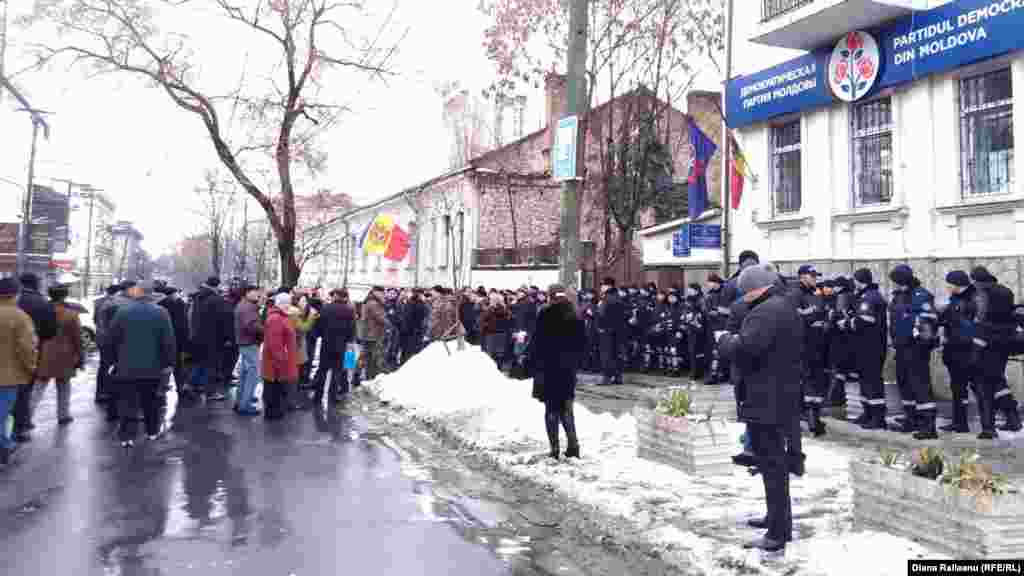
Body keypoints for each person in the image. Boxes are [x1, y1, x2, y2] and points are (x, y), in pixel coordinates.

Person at [716, 263, 802, 552]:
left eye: (745, 292)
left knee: (772, 464)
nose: (743, 297)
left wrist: (725, 340)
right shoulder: (784, 305)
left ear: (755, 289)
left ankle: (777, 532)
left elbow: (745, 349)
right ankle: (775, 520)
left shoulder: (765, 312)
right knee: (772, 464)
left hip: (766, 398)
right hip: (780, 394)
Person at [108, 282, 177, 447]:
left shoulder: (122, 312)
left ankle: (126, 436)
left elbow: (112, 339)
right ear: (151, 294)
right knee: (151, 401)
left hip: (126, 366)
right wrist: (169, 362)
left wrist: (114, 360)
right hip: (153, 366)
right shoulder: (161, 312)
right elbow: (168, 340)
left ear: (137, 293)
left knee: (128, 402)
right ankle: (152, 431)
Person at [532, 284, 586, 459]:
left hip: (548, 368)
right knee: (567, 408)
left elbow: (537, 342)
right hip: (568, 369)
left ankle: (554, 449)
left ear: (550, 296)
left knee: (551, 410)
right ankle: (573, 446)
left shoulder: (544, 314)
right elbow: (582, 343)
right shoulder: (575, 314)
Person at [888, 264, 940, 440]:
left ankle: (929, 426)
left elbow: (928, 321)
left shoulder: (921, 295)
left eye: (896, 280)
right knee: (904, 383)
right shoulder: (898, 296)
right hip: (901, 347)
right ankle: (911, 419)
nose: (894, 284)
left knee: (920, 385)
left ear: (902, 280)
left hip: (916, 348)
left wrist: (921, 341)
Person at [970, 266, 1022, 438]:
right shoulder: (1005, 291)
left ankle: (988, 429)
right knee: (997, 380)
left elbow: (982, 318)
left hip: (987, 342)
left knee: (984, 384)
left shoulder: (983, 294)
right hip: (1004, 341)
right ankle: (1013, 419)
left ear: (977, 281)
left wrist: (978, 339)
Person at [11, 273, 57, 441]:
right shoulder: (43, 302)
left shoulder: (12, 301)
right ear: (36, 283)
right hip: (32, 351)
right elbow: (51, 331)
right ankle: (20, 427)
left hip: (6, 352)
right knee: (25, 389)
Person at [844, 268, 888, 430]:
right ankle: (868, 413)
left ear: (858, 280)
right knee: (864, 381)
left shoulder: (870, 297)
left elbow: (865, 320)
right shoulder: (865, 295)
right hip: (864, 346)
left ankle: (877, 417)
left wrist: (846, 323)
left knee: (872, 381)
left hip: (872, 347)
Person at [0, 278, 37, 465]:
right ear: (15, 294)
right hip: (8, 375)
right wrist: (31, 367)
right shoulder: (20, 317)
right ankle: (4, 447)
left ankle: (5, 445)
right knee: (3, 413)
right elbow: (27, 348)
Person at [35, 284, 84, 426]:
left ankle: (26, 418)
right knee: (64, 386)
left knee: (39, 387)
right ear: (64, 296)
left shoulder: (43, 311)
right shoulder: (71, 314)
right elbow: (77, 338)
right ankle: (63, 415)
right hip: (65, 354)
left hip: (45, 352)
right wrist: (80, 356)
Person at [938, 270, 976, 434]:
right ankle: (959, 423)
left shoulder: (971, 301)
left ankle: (993, 423)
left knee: (977, 387)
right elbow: (946, 320)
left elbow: (967, 328)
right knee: (958, 389)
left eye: (949, 284)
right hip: (955, 352)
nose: (947, 287)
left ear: (957, 284)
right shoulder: (955, 300)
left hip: (966, 352)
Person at [795, 265, 828, 436]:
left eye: (816, 275)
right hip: (803, 344)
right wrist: (811, 316)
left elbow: (821, 313)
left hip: (818, 344)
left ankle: (815, 416)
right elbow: (796, 317)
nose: (815, 278)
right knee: (806, 380)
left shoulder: (816, 293)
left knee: (817, 381)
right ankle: (808, 417)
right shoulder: (795, 294)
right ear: (802, 276)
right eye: (812, 275)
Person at [190, 277, 231, 402]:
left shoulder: (197, 297)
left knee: (200, 362)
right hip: (213, 337)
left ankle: (191, 385)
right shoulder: (217, 299)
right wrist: (228, 337)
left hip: (198, 335)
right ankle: (211, 392)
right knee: (212, 365)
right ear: (217, 286)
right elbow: (223, 321)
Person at [313, 288, 356, 406]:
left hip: (327, 344)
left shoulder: (326, 308)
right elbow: (351, 329)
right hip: (341, 346)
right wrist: (349, 341)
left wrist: (321, 335)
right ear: (344, 297)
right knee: (337, 372)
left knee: (322, 370)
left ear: (336, 296)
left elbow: (319, 326)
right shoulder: (349, 310)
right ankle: (332, 396)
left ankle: (318, 396)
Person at [262, 293, 299, 420]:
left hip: (278, 360)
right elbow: (275, 344)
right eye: (288, 303)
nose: (289, 305)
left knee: (275, 386)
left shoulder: (279, 317)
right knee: (274, 386)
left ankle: (275, 411)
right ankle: (273, 413)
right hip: (276, 361)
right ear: (282, 303)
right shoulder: (276, 318)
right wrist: (281, 360)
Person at [234, 283, 264, 415]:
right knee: (252, 374)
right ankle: (244, 405)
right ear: (246, 293)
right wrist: (266, 330)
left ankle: (240, 401)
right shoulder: (248, 307)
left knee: (245, 373)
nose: (257, 294)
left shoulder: (244, 305)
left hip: (245, 342)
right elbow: (251, 325)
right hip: (249, 343)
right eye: (254, 291)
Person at [597, 277, 626, 386]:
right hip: (619, 330)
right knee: (616, 354)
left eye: (603, 285)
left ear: (609, 286)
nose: (601, 287)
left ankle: (607, 377)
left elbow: (602, 314)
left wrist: (601, 326)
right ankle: (618, 376)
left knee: (606, 354)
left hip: (607, 330)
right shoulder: (618, 296)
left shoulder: (607, 298)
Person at [93, 284, 119, 404]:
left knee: (103, 365)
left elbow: (95, 319)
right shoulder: (114, 304)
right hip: (110, 338)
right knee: (113, 365)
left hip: (100, 337)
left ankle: (101, 392)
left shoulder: (98, 302)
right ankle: (109, 391)